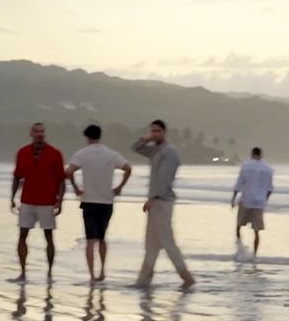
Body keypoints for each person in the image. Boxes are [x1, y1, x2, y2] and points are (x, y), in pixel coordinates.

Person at [131, 120, 195, 288]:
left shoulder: (170, 152)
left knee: (167, 242)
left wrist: (152, 198)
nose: (155, 134)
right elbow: (136, 148)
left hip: (163, 201)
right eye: (153, 131)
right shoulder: (155, 151)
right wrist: (146, 138)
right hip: (156, 202)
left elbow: (164, 179)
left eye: (158, 131)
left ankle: (187, 277)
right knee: (151, 243)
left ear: (164, 132)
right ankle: (143, 280)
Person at [66, 124, 132, 281]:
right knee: (102, 238)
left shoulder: (82, 154)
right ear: (100, 136)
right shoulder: (111, 154)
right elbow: (128, 168)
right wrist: (119, 187)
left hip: (89, 200)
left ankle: (91, 275)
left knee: (90, 240)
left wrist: (76, 188)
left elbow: (68, 171)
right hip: (106, 201)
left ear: (87, 137)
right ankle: (102, 271)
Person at [11, 122, 65, 280]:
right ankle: (22, 272)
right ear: (31, 133)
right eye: (36, 131)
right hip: (27, 200)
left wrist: (59, 201)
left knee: (48, 236)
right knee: (22, 234)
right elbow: (17, 177)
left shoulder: (54, 153)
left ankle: (49, 273)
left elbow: (61, 180)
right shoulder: (22, 152)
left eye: (41, 131)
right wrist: (12, 198)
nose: (39, 134)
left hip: (47, 202)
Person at [230, 147, 274, 256]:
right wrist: (265, 200)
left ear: (252, 154)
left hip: (246, 200)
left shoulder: (246, 166)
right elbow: (270, 189)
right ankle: (254, 255)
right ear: (261, 155)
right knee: (256, 231)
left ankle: (240, 250)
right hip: (259, 203)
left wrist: (233, 199)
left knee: (238, 226)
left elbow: (239, 184)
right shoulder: (268, 169)